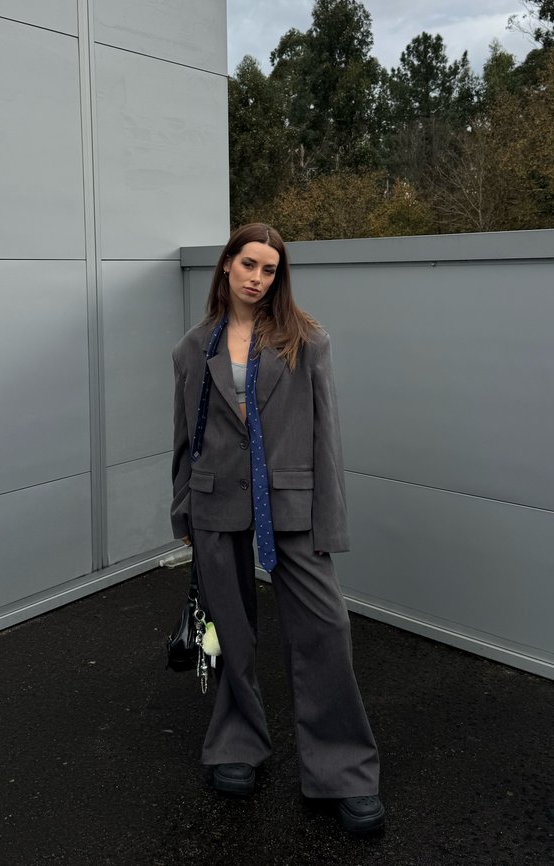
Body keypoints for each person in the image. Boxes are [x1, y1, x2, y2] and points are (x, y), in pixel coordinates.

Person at [170, 223, 384, 834]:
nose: (258, 278)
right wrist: (182, 511)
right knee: (229, 634)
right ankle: (237, 743)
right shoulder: (193, 346)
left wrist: (329, 521)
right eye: (249, 264)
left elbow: (326, 436)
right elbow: (184, 437)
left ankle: (344, 770)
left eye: (269, 269)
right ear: (227, 265)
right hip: (214, 503)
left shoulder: (305, 340)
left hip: (290, 506)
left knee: (326, 629)